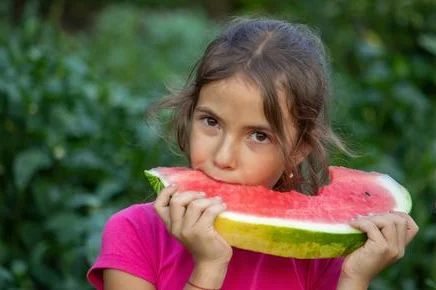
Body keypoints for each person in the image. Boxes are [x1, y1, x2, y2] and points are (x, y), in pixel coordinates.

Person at [87, 17, 419, 290]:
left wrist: (353, 279)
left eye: (259, 135)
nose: (223, 156)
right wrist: (208, 268)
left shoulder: (319, 255)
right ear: (189, 115)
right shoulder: (133, 234)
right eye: (211, 121)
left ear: (297, 151)